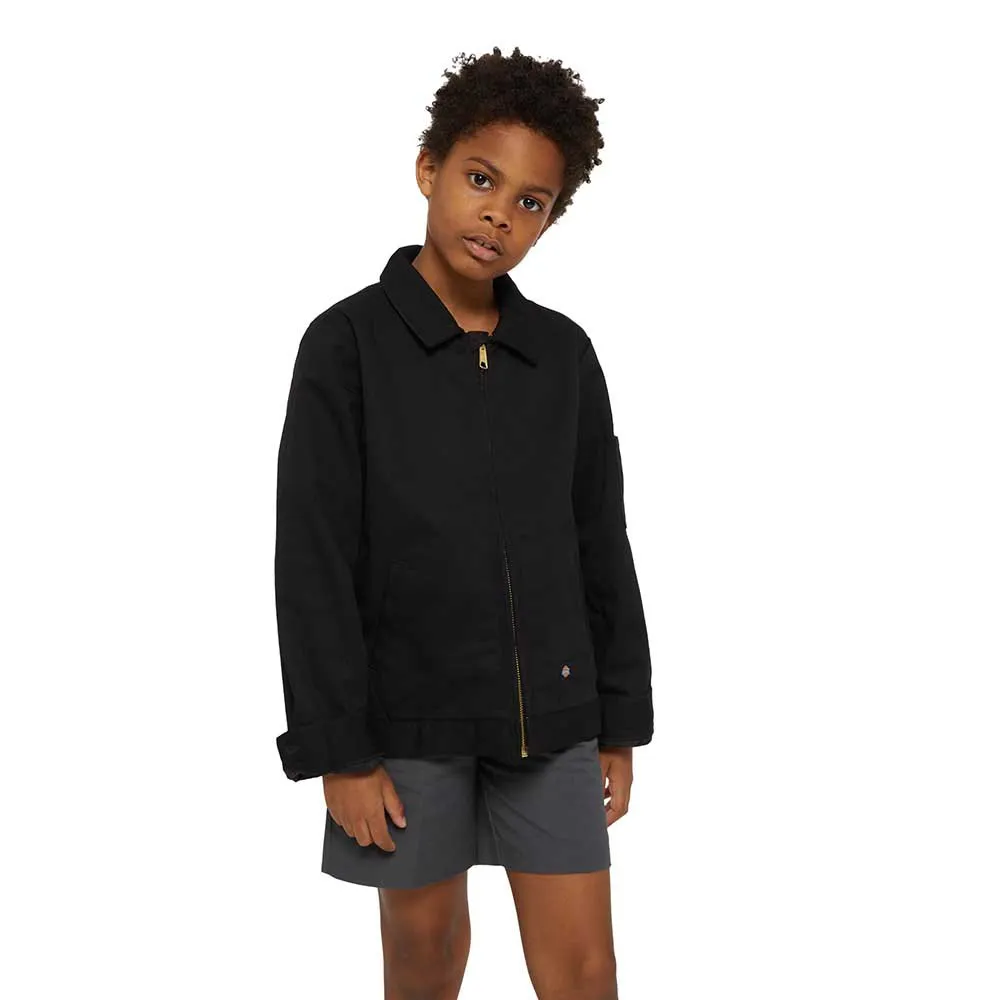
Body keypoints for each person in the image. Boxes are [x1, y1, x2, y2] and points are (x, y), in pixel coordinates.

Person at [273, 46, 654, 1000]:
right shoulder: (346, 345)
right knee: (426, 954)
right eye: (482, 180)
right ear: (428, 168)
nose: (499, 214)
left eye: (531, 201)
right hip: (405, 725)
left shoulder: (563, 356)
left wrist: (619, 718)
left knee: (587, 969)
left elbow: (601, 543)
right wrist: (339, 751)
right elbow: (312, 560)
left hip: (553, 722)